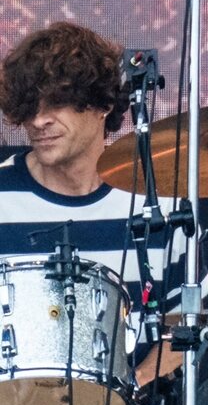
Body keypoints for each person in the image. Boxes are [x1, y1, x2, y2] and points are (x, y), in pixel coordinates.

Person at [0, 21, 172, 299]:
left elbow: (190, 321)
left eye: (57, 103)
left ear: (104, 104)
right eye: (29, 106)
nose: (38, 121)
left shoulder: (158, 204)